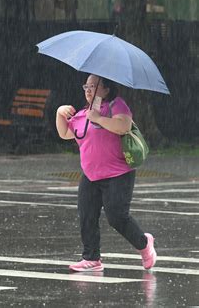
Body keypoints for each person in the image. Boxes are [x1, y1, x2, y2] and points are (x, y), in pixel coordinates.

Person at [55, 74, 156, 272]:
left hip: (118, 174)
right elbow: (65, 133)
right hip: (91, 175)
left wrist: (99, 118)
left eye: (94, 86)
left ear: (107, 89)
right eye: (86, 86)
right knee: (87, 215)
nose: (89, 90)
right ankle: (91, 258)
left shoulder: (116, 106)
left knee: (117, 217)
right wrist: (59, 114)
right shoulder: (83, 114)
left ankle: (145, 244)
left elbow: (123, 126)